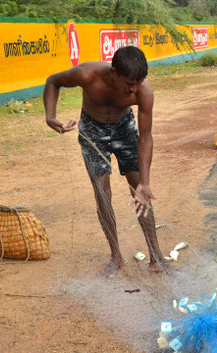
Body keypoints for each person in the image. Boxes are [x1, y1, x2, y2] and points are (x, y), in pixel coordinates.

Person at [43, 46, 167, 275]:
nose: (133, 89)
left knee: (140, 192)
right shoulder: (87, 75)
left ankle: (157, 256)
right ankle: (116, 257)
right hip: (92, 131)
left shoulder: (143, 93)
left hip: (125, 130)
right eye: (128, 83)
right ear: (113, 72)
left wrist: (145, 183)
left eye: (138, 83)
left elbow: (146, 137)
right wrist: (50, 117)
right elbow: (53, 81)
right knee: (102, 193)